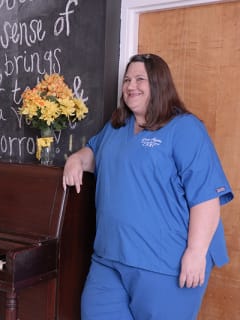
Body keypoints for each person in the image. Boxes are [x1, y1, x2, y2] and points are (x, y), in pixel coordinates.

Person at [63, 53, 234, 320]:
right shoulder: (117, 125)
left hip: (166, 264)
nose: (132, 86)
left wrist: (196, 252)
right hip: (109, 259)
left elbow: (206, 198)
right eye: (127, 79)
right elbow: (95, 153)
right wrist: (76, 159)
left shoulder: (185, 128)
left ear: (159, 83)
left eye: (140, 79)